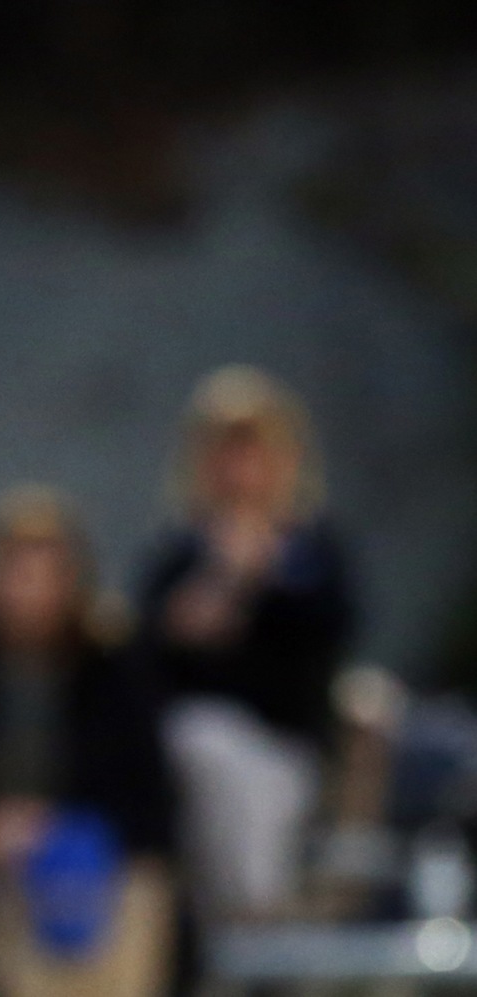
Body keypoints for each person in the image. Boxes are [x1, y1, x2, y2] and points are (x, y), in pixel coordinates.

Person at [0, 486, 175, 997]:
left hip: (90, 879)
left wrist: (57, 831)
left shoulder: (110, 670)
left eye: (44, 576)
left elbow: (151, 804)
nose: (29, 592)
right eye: (16, 573)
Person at [134, 365, 357, 921]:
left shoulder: (310, 552)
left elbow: (327, 640)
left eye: (253, 452)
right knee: (198, 741)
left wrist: (254, 580)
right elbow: (146, 659)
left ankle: (257, 925)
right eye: (224, 453)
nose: (239, 471)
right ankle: (248, 926)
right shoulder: (178, 554)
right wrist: (212, 589)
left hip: (288, 755)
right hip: (183, 765)